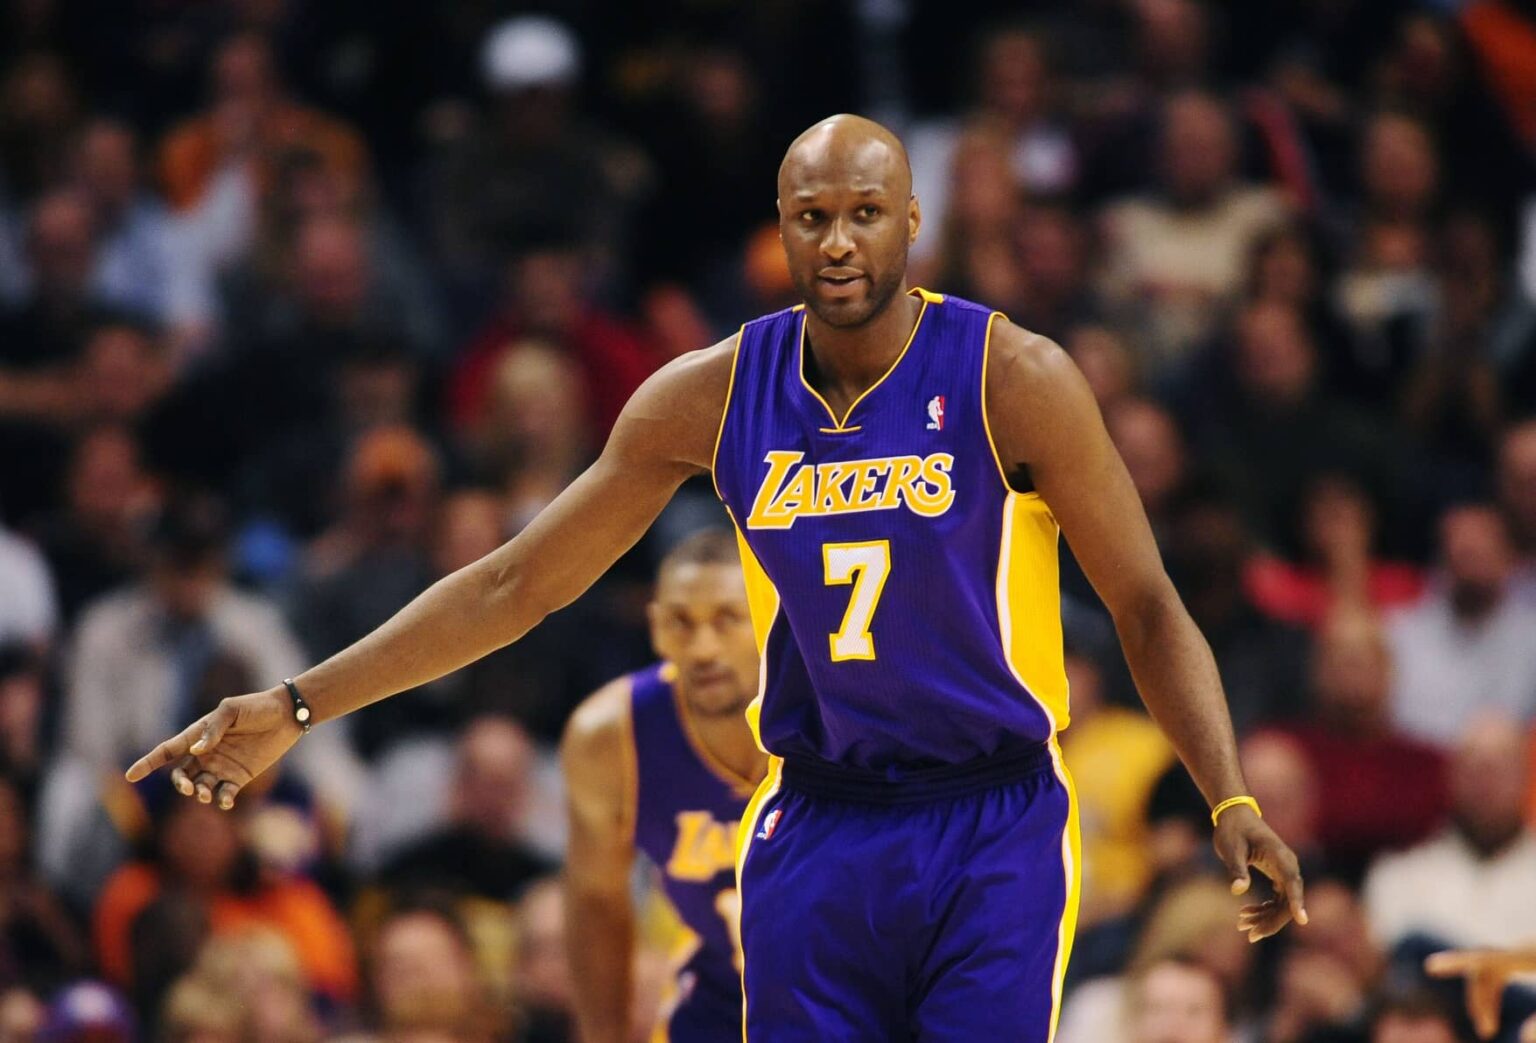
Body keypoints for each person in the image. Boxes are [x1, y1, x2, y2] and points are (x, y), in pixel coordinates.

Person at [126, 114, 1305, 1040]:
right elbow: (514, 583)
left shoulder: (1014, 376)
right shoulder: (713, 391)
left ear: (911, 225)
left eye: (862, 213)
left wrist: (1230, 795)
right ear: (780, 230)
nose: (836, 241)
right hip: (815, 814)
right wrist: (292, 706)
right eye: (810, 216)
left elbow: (1147, 603)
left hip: (987, 815)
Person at [562, 529, 765, 1042]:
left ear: (768, 617)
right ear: (655, 629)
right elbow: (597, 902)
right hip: (719, 992)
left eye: (726, 620)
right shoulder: (611, 736)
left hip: (851, 984)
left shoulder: (833, 713)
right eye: (681, 622)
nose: (702, 648)